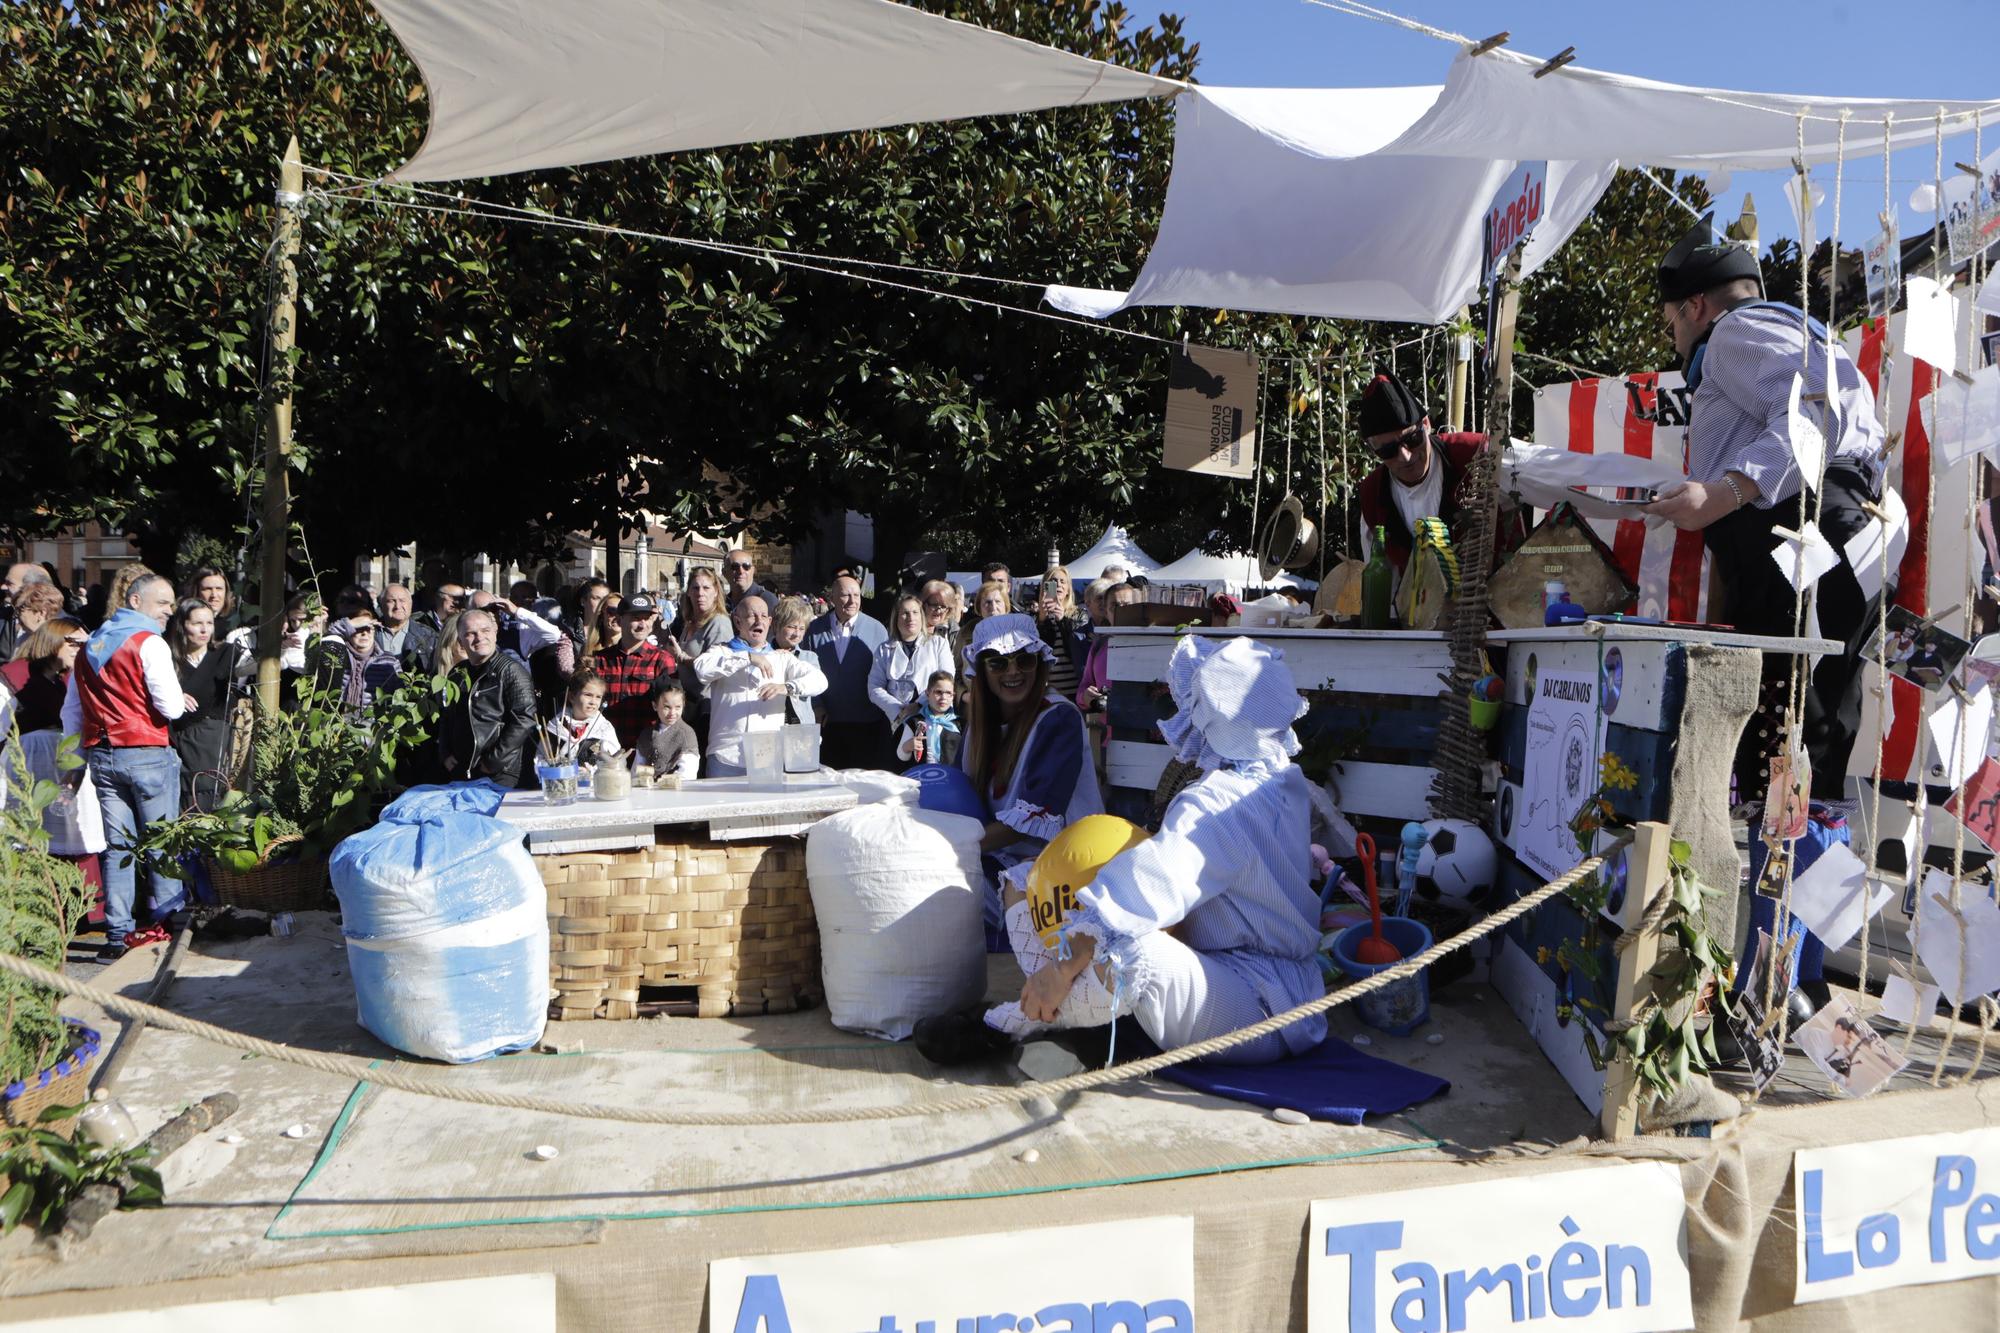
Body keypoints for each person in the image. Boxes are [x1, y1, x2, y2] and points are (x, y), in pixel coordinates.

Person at [918, 635, 1324, 1067]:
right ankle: (1072, 1006)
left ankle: (1010, 1022)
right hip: (1223, 967)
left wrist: (1064, 968)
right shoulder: (1283, 776)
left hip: (1262, 1004)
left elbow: (1148, 887)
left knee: (1131, 952)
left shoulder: (1218, 802)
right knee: (1026, 878)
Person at [1640, 212, 1886, 803]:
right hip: (1825, 531)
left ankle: (1783, 874)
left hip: (1803, 533)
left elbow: (1815, 416)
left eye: (1671, 317)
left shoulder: (1732, 334)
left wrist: (1720, 493)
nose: (1672, 334)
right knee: (1806, 725)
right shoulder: (1805, 334)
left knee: (1790, 719)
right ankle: (1794, 870)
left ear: (1695, 305)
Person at [61, 572, 191, 961]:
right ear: (135, 601)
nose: (170, 610)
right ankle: (164, 925)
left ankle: (118, 936)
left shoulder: (88, 647)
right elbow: (168, 707)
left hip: (102, 754)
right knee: (161, 842)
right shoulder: (149, 642)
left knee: (119, 847)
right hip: (147, 751)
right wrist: (180, 699)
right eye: (162, 602)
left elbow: (71, 712)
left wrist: (72, 767)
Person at [958, 613, 1103, 938]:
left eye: (1024, 660)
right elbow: (958, 800)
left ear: (1040, 664)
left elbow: (1027, 821)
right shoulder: (978, 728)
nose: (1013, 672)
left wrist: (950, 846)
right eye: (997, 663)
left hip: (1063, 874)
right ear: (981, 670)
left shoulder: (1059, 718)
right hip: (999, 864)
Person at [1354, 368, 1520, 574]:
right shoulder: (1372, 494)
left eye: (1412, 439)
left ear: (1426, 424)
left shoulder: (1477, 454)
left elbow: (1555, 472)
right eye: (1388, 451)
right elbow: (1384, 580)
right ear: (1374, 451)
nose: (1405, 456)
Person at [695, 596, 827, 777]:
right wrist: (747, 657)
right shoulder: (723, 651)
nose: (759, 621)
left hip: (766, 756)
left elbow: (820, 681)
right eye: (752, 615)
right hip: (726, 756)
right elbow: (702, 669)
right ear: (737, 621)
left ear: (770, 622)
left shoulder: (781, 657)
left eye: (764, 616)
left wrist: (787, 687)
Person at [435, 608, 537, 786]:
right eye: (471, 633)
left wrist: (493, 761)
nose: (479, 637)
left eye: (485, 630)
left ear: (495, 633)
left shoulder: (511, 671)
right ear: (460, 641)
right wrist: (445, 753)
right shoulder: (457, 673)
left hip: (500, 772)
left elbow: (525, 719)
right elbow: (447, 715)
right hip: (463, 769)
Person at [804, 573, 889, 769]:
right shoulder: (815, 630)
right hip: (827, 722)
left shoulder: (877, 630)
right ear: (832, 598)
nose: (852, 601)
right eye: (845, 595)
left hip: (866, 723)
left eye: (857, 595)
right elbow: (805, 670)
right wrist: (816, 705)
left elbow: (884, 675)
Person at [166, 597, 245, 805]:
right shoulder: (168, 660)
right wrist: (173, 696)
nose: (204, 630)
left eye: (209, 623)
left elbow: (249, 666)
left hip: (214, 741)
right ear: (183, 625)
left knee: (213, 796)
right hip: (181, 742)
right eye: (197, 623)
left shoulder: (225, 653)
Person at [593, 592, 676, 750]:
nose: (642, 624)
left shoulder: (662, 661)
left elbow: (672, 713)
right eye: (636, 618)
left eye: (647, 618)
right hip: (606, 752)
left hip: (646, 753)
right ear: (620, 620)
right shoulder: (600, 660)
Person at [868, 593, 954, 733]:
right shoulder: (884, 649)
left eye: (915, 612)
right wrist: (897, 709)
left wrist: (919, 704)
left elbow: (947, 679)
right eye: (905, 613)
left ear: (921, 617)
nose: (910, 618)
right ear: (896, 618)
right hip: (894, 719)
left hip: (929, 715)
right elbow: (874, 687)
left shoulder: (938, 644)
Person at [670, 568, 734, 747]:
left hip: (705, 709)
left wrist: (682, 658)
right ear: (688, 592)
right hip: (685, 706)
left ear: (716, 592)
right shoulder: (689, 622)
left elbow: (716, 665)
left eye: (706, 588)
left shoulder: (719, 622)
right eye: (695, 588)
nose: (700, 593)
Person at [3, 615, 87, 736]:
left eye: (82, 646)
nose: (79, 651)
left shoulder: (62, 681)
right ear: (54, 642)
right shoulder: (15, 674)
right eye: (74, 644)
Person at [307, 611, 398, 718]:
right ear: (348, 631)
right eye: (359, 629)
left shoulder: (388, 660)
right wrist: (351, 623)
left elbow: (397, 695)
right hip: (337, 721)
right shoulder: (338, 653)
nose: (364, 633)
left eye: (369, 629)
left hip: (372, 725)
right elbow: (330, 637)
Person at [1032, 567, 1087, 703]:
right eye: (1053, 581)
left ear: (1068, 589)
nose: (1058, 585)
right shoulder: (1036, 619)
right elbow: (1040, 654)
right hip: (1047, 691)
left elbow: (1077, 649)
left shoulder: (1079, 615)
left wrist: (1063, 620)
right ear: (1045, 586)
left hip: (1075, 689)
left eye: (1063, 582)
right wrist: (1042, 621)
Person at [544, 669, 620, 767]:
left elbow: (614, 765)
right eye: (588, 695)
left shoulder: (604, 729)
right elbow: (541, 761)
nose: (593, 702)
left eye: (598, 697)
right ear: (572, 697)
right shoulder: (556, 727)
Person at [634, 679, 701, 782]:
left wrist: (664, 783)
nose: (672, 713)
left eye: (677, 707)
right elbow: (637, 769)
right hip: (647, 790)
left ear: (683, 705)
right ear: (655, 706)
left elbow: (687, 773)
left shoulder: (686, 734)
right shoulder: (646, 734)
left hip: (674, 791)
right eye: (667, 707)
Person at [894, 670, 961, 768]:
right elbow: (901, 756)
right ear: (928, 693)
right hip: (922, 777)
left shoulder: (960, 724)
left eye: (948, 693)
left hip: (951, 778)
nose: (943, 697)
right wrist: (907, 747)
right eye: (938, 692)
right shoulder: (914, 722)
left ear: (953, 696)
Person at [770, 595, 820, 724]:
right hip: (770, 725)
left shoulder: (809, 658)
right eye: (792, 627)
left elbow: (816, 685)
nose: (797, 634)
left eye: (802, 628)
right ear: (776, 625)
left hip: (801, 727)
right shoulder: (764, 655)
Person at [376, 583, 437, 673]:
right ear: (381, 606)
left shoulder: (427, 635)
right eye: (392, 601)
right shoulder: (369, 633)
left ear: (411, 604)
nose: (397, 606)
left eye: (402, 600)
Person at [1, 581, 65, 663]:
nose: (16, 615)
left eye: (20, 609)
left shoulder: (63, 641)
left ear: (41, 613)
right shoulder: (21, 635)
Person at [722, 548, 779, 617]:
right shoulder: (721, 603)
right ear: (724, 572)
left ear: (753, 571)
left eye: (746, 566)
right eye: (735, 566)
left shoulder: (767, 599)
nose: (741, 571)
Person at [564, 578, 612, 655]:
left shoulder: (612, 629)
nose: (602, 603)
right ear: (583, 601)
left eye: (605, 599)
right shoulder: (569, 631)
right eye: (597, 598)